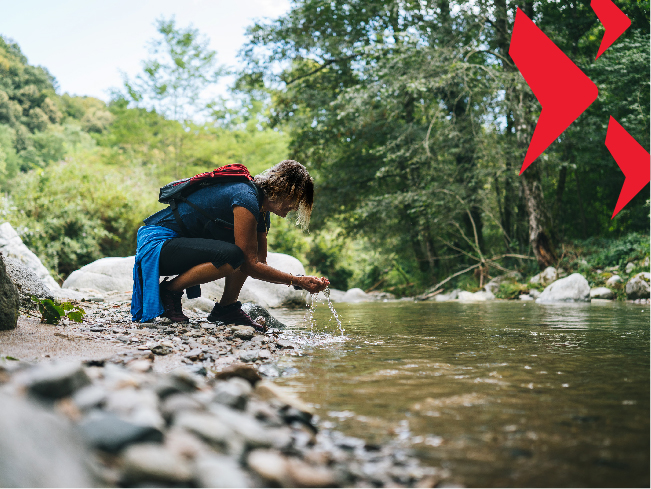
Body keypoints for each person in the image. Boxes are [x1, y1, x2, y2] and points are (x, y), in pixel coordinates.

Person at [131, 160, 329, 330]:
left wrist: (300, 280)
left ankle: (226, 309)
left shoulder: (261, 210)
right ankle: (169, 291)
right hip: (158, 244)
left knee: (241, 252)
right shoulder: (245, 197)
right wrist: (297, 281)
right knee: (235, 255)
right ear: (282, 189)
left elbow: (260, 262)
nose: (295, 207)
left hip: (181, 246)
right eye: (295, 199)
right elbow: (250, 264)